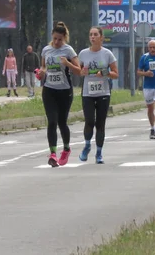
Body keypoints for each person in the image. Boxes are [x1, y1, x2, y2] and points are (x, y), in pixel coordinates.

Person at [70, 27, 118, 164]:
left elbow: (116, 74)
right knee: (89, 121)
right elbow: (79, 71)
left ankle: (99, 153)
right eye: (91, 34)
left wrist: (105, 73)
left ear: (101, 37)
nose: (93, 37)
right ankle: (86, 145)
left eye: (96, 34)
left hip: (103, 92)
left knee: (100, 124)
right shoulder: (83, 54)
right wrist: (82, 72)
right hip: (88, 93)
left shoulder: (107, 54)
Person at [37, 22, 80, 168]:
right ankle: (53, 154)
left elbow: (78, 71)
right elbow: (43, 66)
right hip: (49, 90)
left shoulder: (69, 50)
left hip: (65, 91)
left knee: (62, 122)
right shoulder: (46, 50)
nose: (56, 42)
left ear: (64, 38)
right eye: (55, 38)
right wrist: (41, 72)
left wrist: (67, 63)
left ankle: (66, 148)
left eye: (59, 39)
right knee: (52, 121)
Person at [137, 40, 155, 139]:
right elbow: (138, 72)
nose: (152, 49)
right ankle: (152, 128)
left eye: (154, 47)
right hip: (148, 86)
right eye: (150, 48)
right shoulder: (144, 58)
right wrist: (146, 74)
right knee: (150, 108)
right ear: (148, 48)